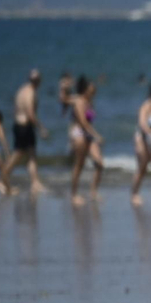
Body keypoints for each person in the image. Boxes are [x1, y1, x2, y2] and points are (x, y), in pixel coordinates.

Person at [0, 69, 47, 196]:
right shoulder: (31, 93)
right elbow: (30, 113)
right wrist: (41, 127)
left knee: (31, 154)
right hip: (24, 126)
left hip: (18, 125)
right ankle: (2, 179)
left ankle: (35, 183)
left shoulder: (21, 90)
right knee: (18, 155)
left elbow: (15, 110)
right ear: (38, 81)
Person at [64, 76, 105, 206]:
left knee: (99, 163)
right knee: (79, 165)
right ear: (85, 90)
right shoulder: (78, 100)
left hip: (88, 134)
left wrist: (93, 135)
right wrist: (96, 135)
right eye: (91, 90)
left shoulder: (89, 102)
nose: (94, 92)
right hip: (79, 133)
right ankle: (74, 195)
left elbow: (89, 122)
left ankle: (93, 192)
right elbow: (82, 122)